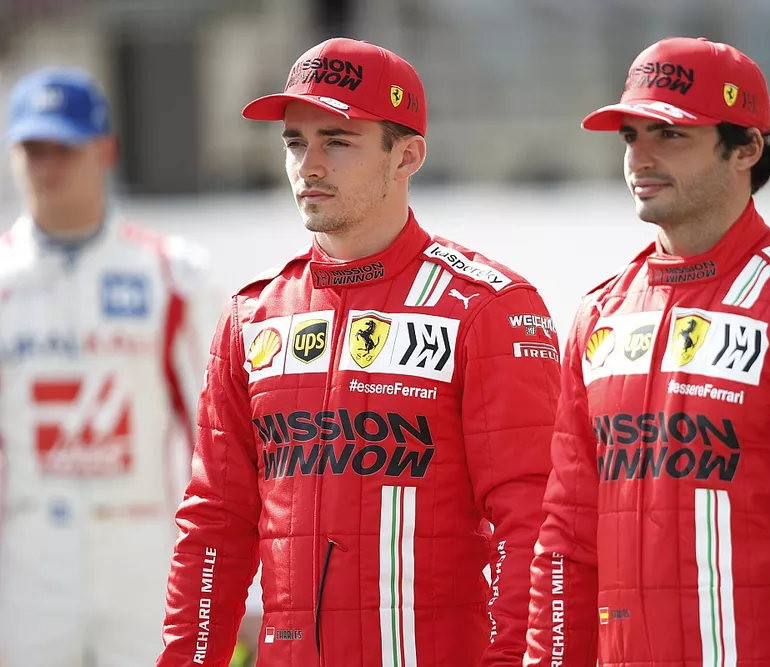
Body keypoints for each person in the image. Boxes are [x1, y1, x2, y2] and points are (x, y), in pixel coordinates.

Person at [156, 38, 561, 667]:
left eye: (337, 142)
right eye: (295, 142)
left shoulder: (487, 307)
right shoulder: (252, 313)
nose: (308, 165)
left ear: (407, 156)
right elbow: (215, 525)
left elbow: (532, 521)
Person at [524, 37, 770, 667]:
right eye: (630, 136)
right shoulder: (600, 314)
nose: (640, 157)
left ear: (746, 148)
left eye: (670, 135)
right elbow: (566, 539)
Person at [0, 68, 224, 667]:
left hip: (147, 552)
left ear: (105, 150)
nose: (48, 165)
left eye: (64, 148)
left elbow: (223, 436)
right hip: (26, 563)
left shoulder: (175, 274)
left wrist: (237, 576)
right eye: (32, 149)